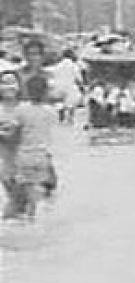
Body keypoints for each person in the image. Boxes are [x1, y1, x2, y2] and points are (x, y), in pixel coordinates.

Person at [15, 75, 58, 218]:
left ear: (26, 90)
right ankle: (41, 213)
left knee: (28, 191)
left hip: (24, 155)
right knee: (48, 188)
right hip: (43, 155)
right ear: (46, 91)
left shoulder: (21, 110)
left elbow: (15, 132)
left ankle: (30, 215)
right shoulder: (51, 111)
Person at [0, 71, 25, 218]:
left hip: (25, 160)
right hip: (5, 160)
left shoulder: (26, 108)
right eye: (4, 82)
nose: (8, 86)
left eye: (12, 82)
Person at [50, 50, 84, 125]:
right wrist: (81, 85)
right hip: (70, 85)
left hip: (58, 85)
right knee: (73, 101)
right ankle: (70, 117)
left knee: (60, 101)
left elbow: (53, 76)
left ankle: (61, 114)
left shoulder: (58, 65)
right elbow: (78, 77)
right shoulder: (73, 66)